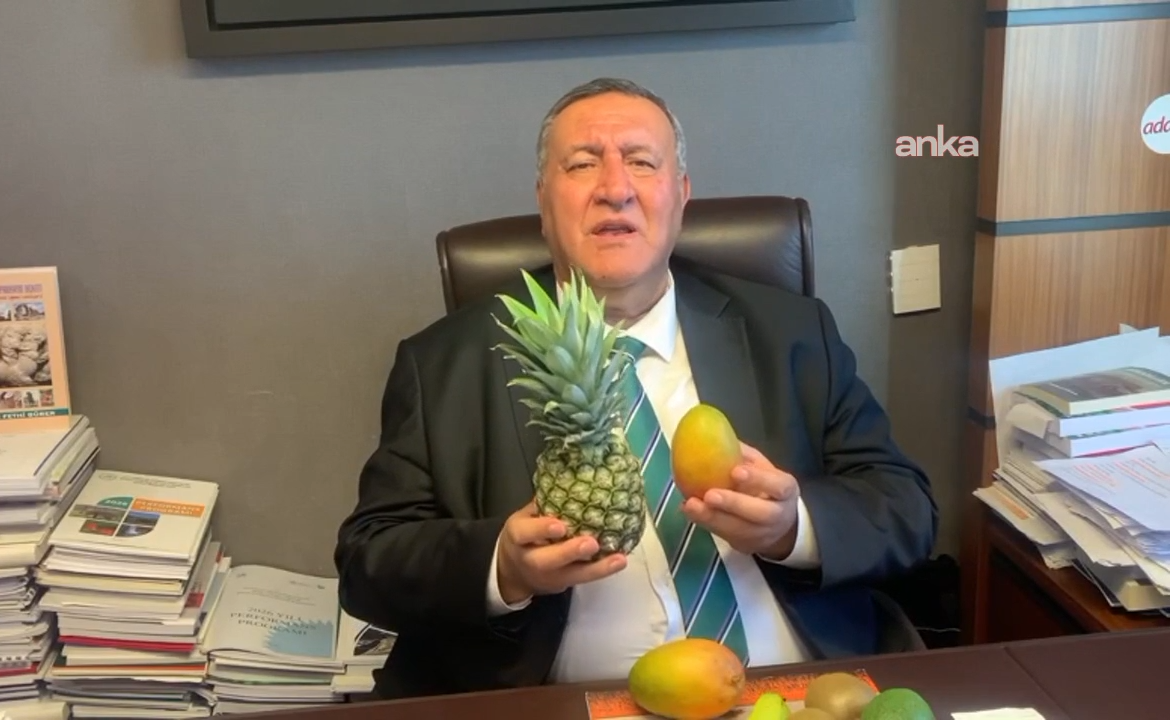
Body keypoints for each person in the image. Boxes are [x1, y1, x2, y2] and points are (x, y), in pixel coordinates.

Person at [334, 77, 937, 700]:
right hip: (564, 703)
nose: (615, 189)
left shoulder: (791, 332)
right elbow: (367, 562)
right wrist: (501, 567)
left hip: (796, 695)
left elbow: (907, 508)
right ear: (544, 200)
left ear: (681, 194)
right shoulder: (443, 363)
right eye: (582, 164)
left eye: (642, 163)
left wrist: (795, 527)